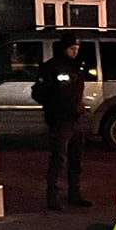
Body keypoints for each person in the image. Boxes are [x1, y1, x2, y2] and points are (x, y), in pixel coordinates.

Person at [33, 32, 90, 210]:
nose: (75, 52)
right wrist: (55, 105)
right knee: (59, 158)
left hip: (76, 118)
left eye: (77, 48)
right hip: (60, 120)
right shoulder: (51, 67)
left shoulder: (77, 66)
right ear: (64, 48)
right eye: (72, 48)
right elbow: (39, 93)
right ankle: (53, 197)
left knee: (76, 159)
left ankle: (74, 194)